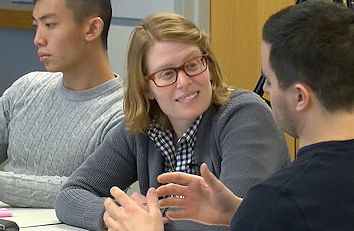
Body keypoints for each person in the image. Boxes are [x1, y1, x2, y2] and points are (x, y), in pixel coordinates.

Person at [104, 1, 354, 231]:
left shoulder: (280, 201)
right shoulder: (275, 203)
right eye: (167, 74)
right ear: (146, 87)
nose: (265, 89)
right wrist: (235, 211)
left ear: (300, 97)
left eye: (269, 79)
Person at [55, 12, 290, 231]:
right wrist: (122, 217)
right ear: (146, 88)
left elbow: (234, 218)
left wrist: (153, 220)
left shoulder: (246, 115)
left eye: (193, 64)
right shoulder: (142, 128)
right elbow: (71, 195)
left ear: (208, 68)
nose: (184, 82)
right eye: (167, 73)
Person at [0, 0, 123, 208]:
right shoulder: (25, 89)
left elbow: (85, 191)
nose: (38, 39)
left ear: (92, 29)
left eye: (50, 25)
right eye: (36, 26)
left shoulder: (123, 113)